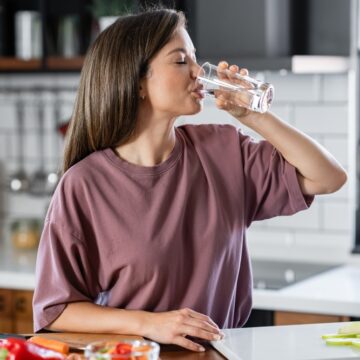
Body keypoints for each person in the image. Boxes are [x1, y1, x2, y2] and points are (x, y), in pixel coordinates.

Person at [33, 7, 347, 353]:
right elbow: (56, 311)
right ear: (137, 81)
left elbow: (328, 177)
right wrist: (150, 323)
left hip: (220, 354)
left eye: (196, 59)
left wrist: (254, 115)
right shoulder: (85, 185)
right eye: (181, 61)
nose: (199, 73)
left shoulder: (224, 150)